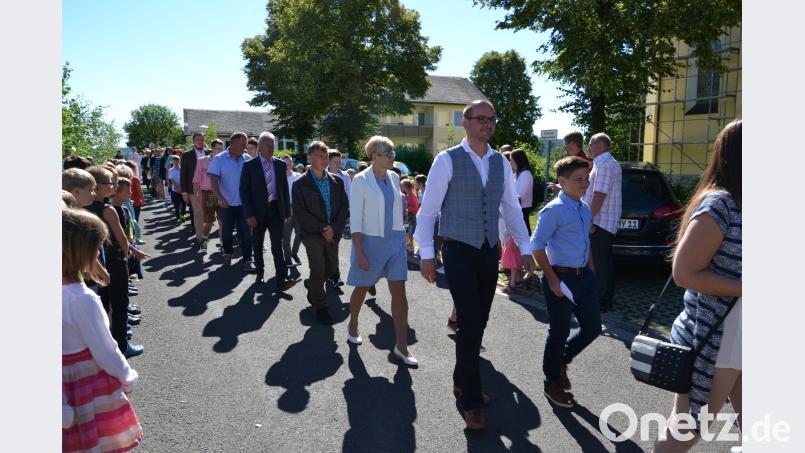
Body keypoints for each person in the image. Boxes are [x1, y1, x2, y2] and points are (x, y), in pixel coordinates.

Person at [415, 99, 534, 430]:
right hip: (458, 250)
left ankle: (460, 378)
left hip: (488, 251)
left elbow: (511, 208)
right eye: (480, 118)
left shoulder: (501, 163)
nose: (488, 123)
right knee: (469, 320)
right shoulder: (447, 160)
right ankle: (470, 400)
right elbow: (428, 210)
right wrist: (426, 252)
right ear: (465, 123)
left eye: (492, 118)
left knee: (478, 322)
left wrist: (525, 247)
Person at [653, 120, 742, 452]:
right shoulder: (719, 205)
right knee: (688, 428)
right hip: (718, 338)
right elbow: (685, 273)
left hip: (746, 337)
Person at [61, 208, 143, 452]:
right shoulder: (81, 299)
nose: (99, 253)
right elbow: (105, 349)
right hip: (83, 383)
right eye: (97, 247)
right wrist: (126, 377)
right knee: (92, 440)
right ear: (82, 251)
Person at [531, 156, 601, 408]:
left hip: (584, 278)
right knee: (558, 332)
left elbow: (585, 242)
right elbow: (536, 247)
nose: (585, 183)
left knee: (593, 327)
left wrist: (591, 270)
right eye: (578, 179)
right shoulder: (554, 210)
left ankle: (561, 360)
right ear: (562, 182)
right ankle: (552, 382)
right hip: (560, 278)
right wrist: (552, 280)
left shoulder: (584, 208)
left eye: (587, 178)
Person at [346, 136, 417, 365]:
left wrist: (406, 238)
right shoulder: (360, 180)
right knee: (362, 288)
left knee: (400, 294)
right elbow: (356, 220)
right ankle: (353, 323)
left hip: (395, 241)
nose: (392, 157)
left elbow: (399, 212)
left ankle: (402, 347)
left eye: (392, 153)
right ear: (375, 155)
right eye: (388, 153)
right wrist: (359, 251)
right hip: (370, 243)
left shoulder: (395, 178)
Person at [86, 166, 145, 358]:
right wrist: (129, 252)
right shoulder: (108, 209)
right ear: (98, 186)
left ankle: (104, 345)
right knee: (119, 305)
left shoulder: (81, 207)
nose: (114, 185)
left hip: (94, 263)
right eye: (110, 183)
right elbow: (122, 239)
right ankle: (122, 346)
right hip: (115, 260)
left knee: (103, 304)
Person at [292, 141, 349, 325]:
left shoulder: (337, 182)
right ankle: (321, 307)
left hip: (334, 233)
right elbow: (300, 212)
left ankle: (312, 284)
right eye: (320, 156)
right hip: (312, 234)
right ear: (310, 157)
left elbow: (343, 207)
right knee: (318, 268)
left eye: (326, 156)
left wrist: (334, 228)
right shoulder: (300, 184)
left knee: (331, 268)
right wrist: (322, 228)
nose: (325, 160)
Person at [240, 131, 298, 290]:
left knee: (277, 245)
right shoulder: (249, 166)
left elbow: (284, 190)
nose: (271, 148)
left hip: (275, 211)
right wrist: (249, 215)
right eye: (268, 145)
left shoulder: (280, 165)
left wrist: (286, 212)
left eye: (273, 145)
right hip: (257, 213)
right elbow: (244, 192)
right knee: (257, 244)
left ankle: (282, 279)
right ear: (259, 146)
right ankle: (260, 273)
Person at [583, 132, 622, 312]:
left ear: (600, 145)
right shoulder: (608, 163)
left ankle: (600, 303)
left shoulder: (604, 165)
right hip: (604, 221)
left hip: (600, 222)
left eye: (591, 144)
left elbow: (599, 195)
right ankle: (605, 300)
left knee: (599, 264)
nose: (588, 147)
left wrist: (588, 220)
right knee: (604, 263)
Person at [209, 132, 255, 271]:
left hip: (244, 205)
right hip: (226, 204)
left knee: (246, 233)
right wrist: (220, 198)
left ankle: (248, 260)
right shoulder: (219, 159)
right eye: (242, 145)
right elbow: (213, 181)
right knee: (227, 231)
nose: (245, 148)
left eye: (246, 144)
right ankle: (228, 252)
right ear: (233, 144)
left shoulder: (248, 159)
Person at [193, 138, 224, 252]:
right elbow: (196, 179)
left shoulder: (224, 161)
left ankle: (222, 245)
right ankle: (204, 239)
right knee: (209, 221)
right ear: (212, 149)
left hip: (222, 193)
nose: (220, 151)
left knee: (222, 221)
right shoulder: (202, 161)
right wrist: (197, 195)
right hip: (207, 193)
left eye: (222, 149)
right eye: (218, 149)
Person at [181, 132, 209, 247]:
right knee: (198, 214)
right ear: (194, 141)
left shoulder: (210, 153)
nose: (200, 142)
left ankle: (205, 235)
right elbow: (183, 175)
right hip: (193, 189)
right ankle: (199, 238)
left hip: (208, 189)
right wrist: (184, 192)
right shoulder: (187, 155)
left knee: (207, 215)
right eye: (198, 140)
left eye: (202, 140)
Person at [328, 149, 352, 279]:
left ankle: (335, 275)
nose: (338, 164)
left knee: (334, 244)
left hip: (340, 217)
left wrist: (349, 214)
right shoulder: (322, 175)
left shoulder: (345, 176)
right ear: (328, 162)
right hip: (325, 216)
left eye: (339, 162)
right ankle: (330, 272)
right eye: (335, 162)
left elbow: (350, 195)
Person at [280, 154, 303, 267]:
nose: (287, 165)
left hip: (298, 210)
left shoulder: (299, 176)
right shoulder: (278, 178)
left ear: (292, 164)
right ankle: (288, 259)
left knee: (300, 234)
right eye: (284, 163)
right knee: (286, 237)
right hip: (285, 210)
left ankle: (294, 253)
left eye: (289, 163)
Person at [510, 148, 534, 236]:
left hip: (522, 208)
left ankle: (526, 249)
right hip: (516, 207)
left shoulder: (525, 174)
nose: (510, 162)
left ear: (517, 160)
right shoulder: (516, 174)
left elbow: (521, 195)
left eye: (511, 160)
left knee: (524, 233)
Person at [400, 179, 419, 254]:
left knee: (410, 232)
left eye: (402, 186)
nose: (400, 187)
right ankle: (408, 245)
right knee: (407, 231)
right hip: (408, 217)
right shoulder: (409, 195)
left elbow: (415, 206)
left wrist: (406, 209)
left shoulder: (411, 195)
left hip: (411, 217)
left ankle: (411, 246)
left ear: (405, 187)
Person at [167, 158, 186, 223]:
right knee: (176, 204)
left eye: (177, 161)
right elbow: (171, 179)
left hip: (182, 189)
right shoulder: (171, 170)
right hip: (174, 189)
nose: (175, 162)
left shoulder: (182, 169)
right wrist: (176, 187)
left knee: (183, 204)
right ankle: (178, 217)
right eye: (174, 161)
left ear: (179, 161)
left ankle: (183, 216)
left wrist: (180, 186)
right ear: (172, 162)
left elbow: (183, 178)